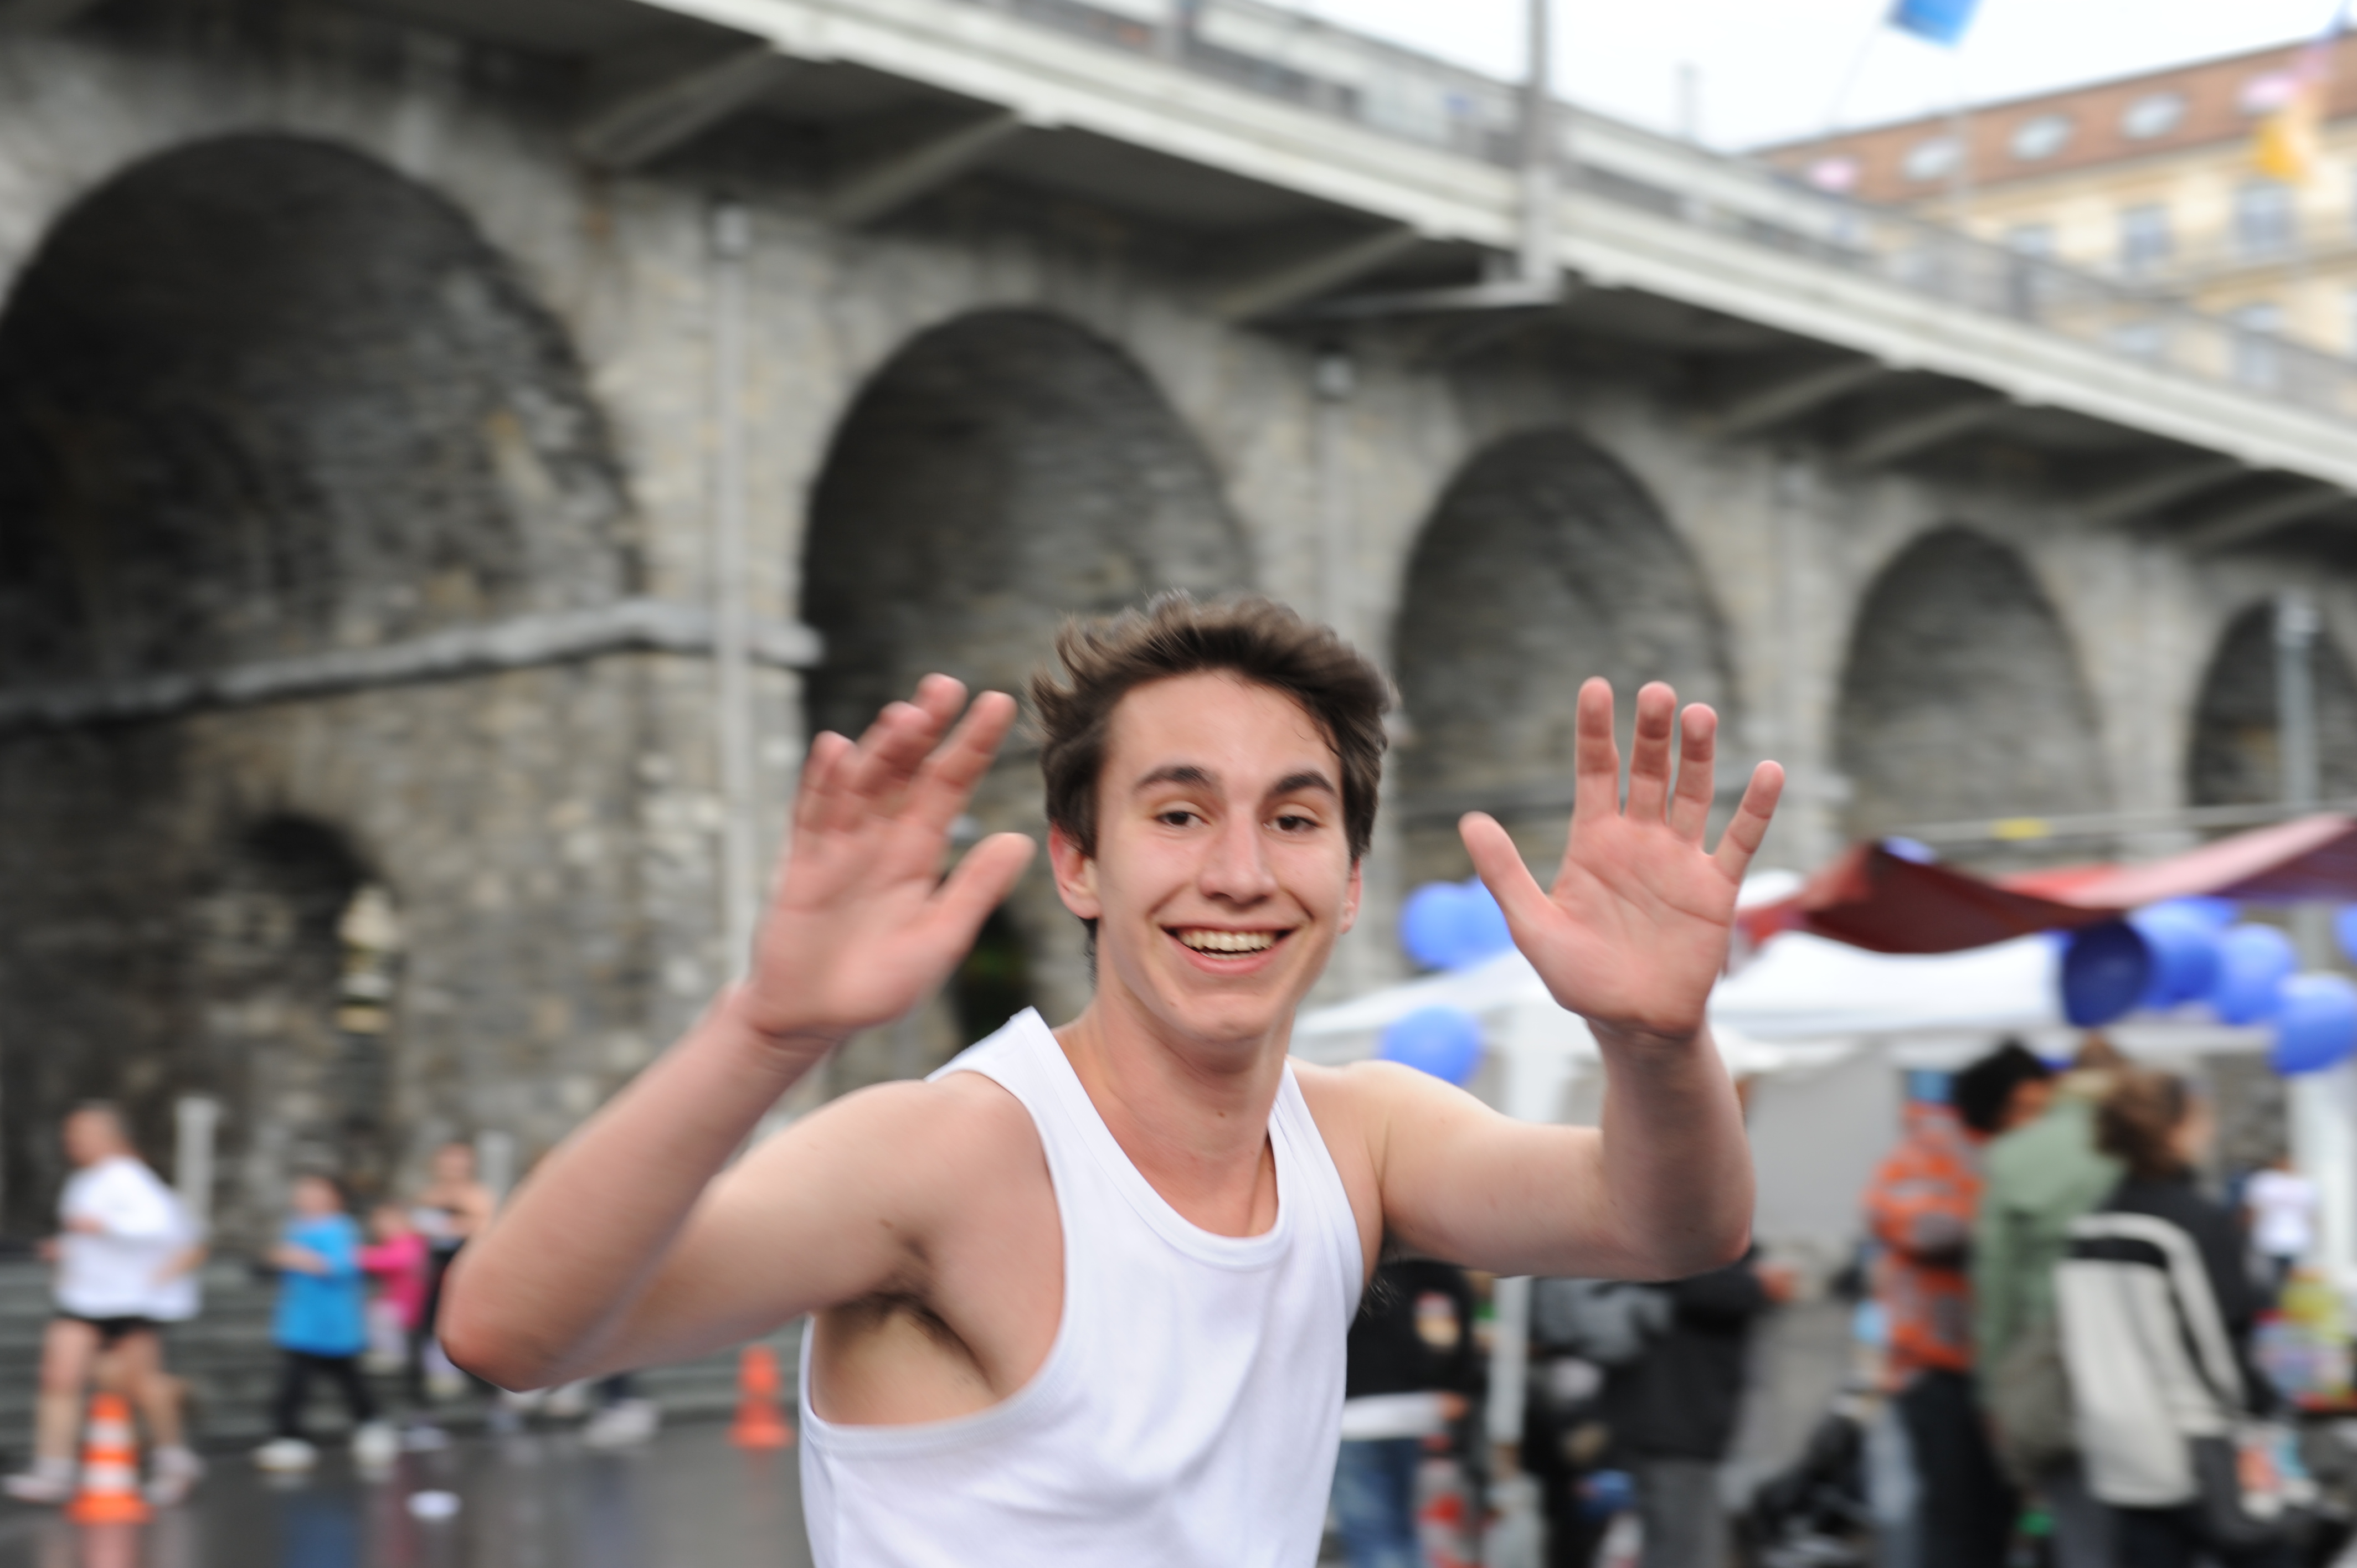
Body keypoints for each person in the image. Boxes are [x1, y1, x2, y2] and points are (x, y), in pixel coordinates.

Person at [445, 592, 1784, 1566]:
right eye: (1180, 813)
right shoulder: (947, 1154)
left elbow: (1668, 1224)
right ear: (1080, 862)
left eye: (1295, 818)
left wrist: (1656, 1040)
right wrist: (766, 1032)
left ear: (1349, 881)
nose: (1240, 874)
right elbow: (510, 1333)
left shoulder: (1363, 1135)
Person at [2057, 1071, 2287, 1568]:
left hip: (2118, 1446)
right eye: (2202, 1117)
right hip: (2196, 1446)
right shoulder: (2193, 1222)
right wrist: (2261, 1409)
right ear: (2176, 1130)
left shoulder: (2090, 1225)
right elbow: (2220, 1339)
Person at [1861, 1043, 2050, 1568]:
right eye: (2024, 1107)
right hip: (1937, 1367)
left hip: (2005, 1370)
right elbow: (1900, 1219)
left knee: (1998, 1518)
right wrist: (1997, 1226)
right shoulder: (1933, 1147)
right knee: (1953, 1520)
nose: (2032, 1121)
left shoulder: (2022, 1156)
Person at [3, 1103, 204, 1508]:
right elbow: (81, 1235)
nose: (71, 1143)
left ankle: (175, 1461)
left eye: (79, 1134)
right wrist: (63, 1251)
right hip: (83, 1298)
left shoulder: (132, 1177)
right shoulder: (82, 1181)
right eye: (69, 1135)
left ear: (108, 1136)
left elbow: (161, 1226)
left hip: (131, 1300)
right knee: (59, 1377)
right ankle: (54, 1469)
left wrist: (108, 1226)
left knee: (140, 1385)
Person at [1972, 1035, 2123, 1568]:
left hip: (2052, 1368)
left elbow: (1997, 1291)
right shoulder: (2143, 1146)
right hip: (2139, 1365)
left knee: (2078, 1533)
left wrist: (1995, 1391)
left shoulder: (2015, 1155)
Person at [1598, 1248, 1790, 1568]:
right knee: (1685, 1552)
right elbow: (1699, 1279)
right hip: (1675, 1428)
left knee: (1685, 1548)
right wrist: (1757, 1285)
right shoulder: (1683, 1256)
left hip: (1678, 1428)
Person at [1332, 1258, 1480, 1568]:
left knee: (1374, 1540)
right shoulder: (1404, 1248)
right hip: (1411, 1408)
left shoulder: (1331, 1248)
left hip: (1352, 1414)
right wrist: (1457, 1379)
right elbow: (1458, 1294)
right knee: (1403, 1535)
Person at [255, 1174, 398, 1472]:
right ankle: (289, 1436)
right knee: (294, 1386)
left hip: (335, 1323)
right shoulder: (295, 1227)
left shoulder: (341, 1228)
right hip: (300, 1322)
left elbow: (341, 1266)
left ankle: (370, 1424)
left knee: (351, 1382)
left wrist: (298, 1258)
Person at [404, 1141, 494, 1443]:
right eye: (448, 1161)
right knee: (418, 1342)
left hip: (464, 1278)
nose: (453, 1167)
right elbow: (415, 1232)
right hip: (432, 1278)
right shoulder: (429, 1196)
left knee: (468, 1344)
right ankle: (423, 1415)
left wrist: (449, 1225)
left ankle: (494, 1401)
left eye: (459, 1161)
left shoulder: (476, 1195)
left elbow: (484, 1227)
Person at [2243, 1153, 2316, 1297]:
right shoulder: (2266, 1182)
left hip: (2292, 1239)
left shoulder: (2304, 1184)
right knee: (2271, 1281)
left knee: (2288, 1280)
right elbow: (2251, 1211)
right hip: (2271, 1239)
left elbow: (2311, 1215)